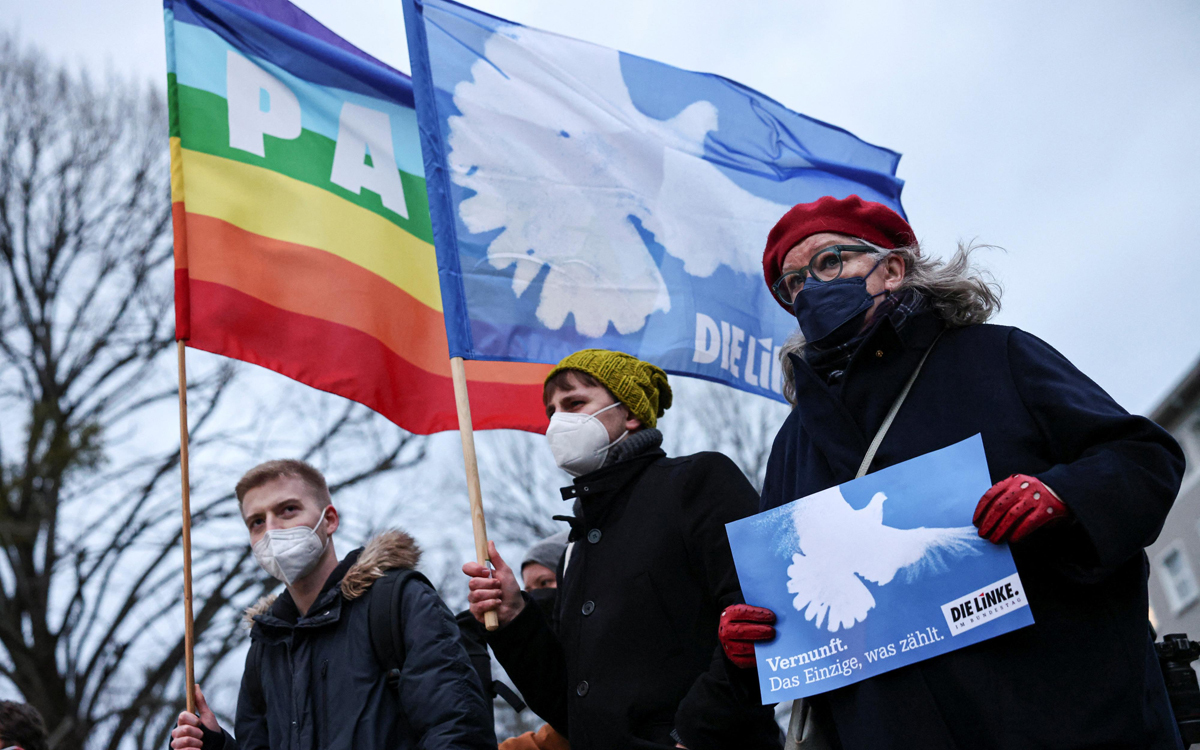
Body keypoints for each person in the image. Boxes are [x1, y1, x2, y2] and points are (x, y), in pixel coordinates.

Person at [717, 194, 1187, 749]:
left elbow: (1144, 456)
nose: (810, 290)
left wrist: (1062, 494)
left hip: (1061, 712)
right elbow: (787, 597)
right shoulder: (794, 442)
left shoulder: (997, 357)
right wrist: (749, 643)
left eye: (828, 262)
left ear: (890, 269)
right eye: (793, 284)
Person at [463, 349, 781, 750]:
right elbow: (574, 707)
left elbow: (760, 618)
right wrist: (514, 619)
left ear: (630, 413)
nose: (557, 422)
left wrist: (692, 735)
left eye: (575, 403)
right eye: (552, 412)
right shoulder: (574, 548)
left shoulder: (697, 482)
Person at [169, 459, 495, 750]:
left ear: (329, 520)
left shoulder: (398, 602)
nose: (271, 531)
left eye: (287, 510)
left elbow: (456, 727)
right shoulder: (267, 643)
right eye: (256, 522)